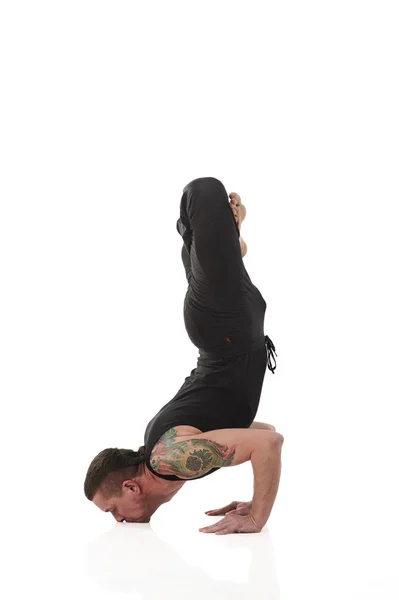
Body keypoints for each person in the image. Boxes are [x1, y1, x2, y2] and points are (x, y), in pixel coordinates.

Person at [84, 177, 284, 534]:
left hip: (226, 330)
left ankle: (226, 239)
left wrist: (257, 518)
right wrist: (256, 497)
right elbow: (264, 432)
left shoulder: (169, 459)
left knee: (202, 191)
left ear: (130, 487)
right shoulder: (171, 450)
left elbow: (268, 444)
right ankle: (226, 243)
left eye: (112, 510)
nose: (117, 519)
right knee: (197, 247)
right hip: (229, 332)